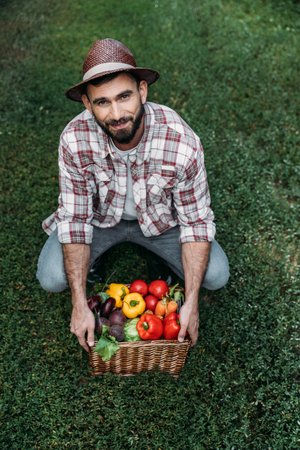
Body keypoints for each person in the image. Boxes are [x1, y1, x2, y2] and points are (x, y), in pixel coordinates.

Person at [36, 38, 230, 351]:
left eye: (124, 96)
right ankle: (100, 260)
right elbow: (75, 218)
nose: (116, 113)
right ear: (88, 105)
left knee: (217, 275)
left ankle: (160, 258)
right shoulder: (74, 139)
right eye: (102, 102)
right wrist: (78, 303)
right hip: (102, 221)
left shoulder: (181, 140)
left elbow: (195, 221)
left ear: (142, 91)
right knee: (52, 278)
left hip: (162, 223)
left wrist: (191, 303)